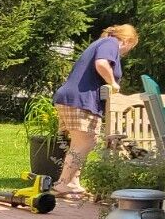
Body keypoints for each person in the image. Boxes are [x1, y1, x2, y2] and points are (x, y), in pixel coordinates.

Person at [51, 24, 139, 197]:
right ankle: (63, 184)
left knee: (81, 142)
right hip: (81, 100)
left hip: (71, 98)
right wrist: (113, 83)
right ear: (127, 41)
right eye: (130, 47)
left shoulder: (101, 42)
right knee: (85, 141)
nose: (126, 52)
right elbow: (101, 64)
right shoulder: (111, 43)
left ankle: (71, 183)